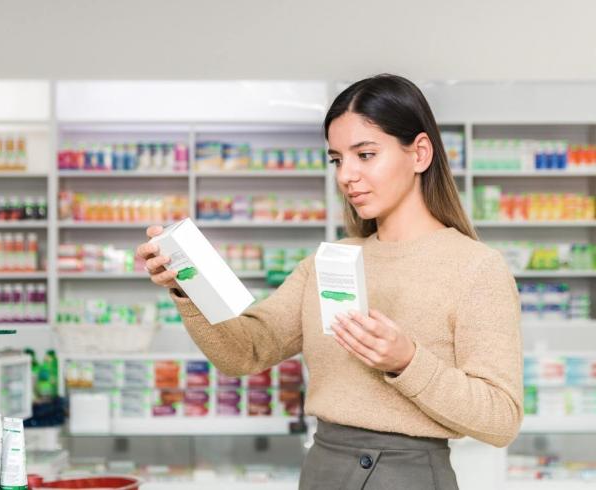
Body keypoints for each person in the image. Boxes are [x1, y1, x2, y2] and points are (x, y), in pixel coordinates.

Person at [136, 74, 523, 490]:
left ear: (420, 153)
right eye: (337, 159)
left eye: (366, 154)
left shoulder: (475, 267)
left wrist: (407, 361)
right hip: (323, 468)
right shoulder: (330, 261)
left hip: (408, 476)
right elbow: (245, 351)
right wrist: (188, 285)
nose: (346, 176)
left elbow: (500, 420)